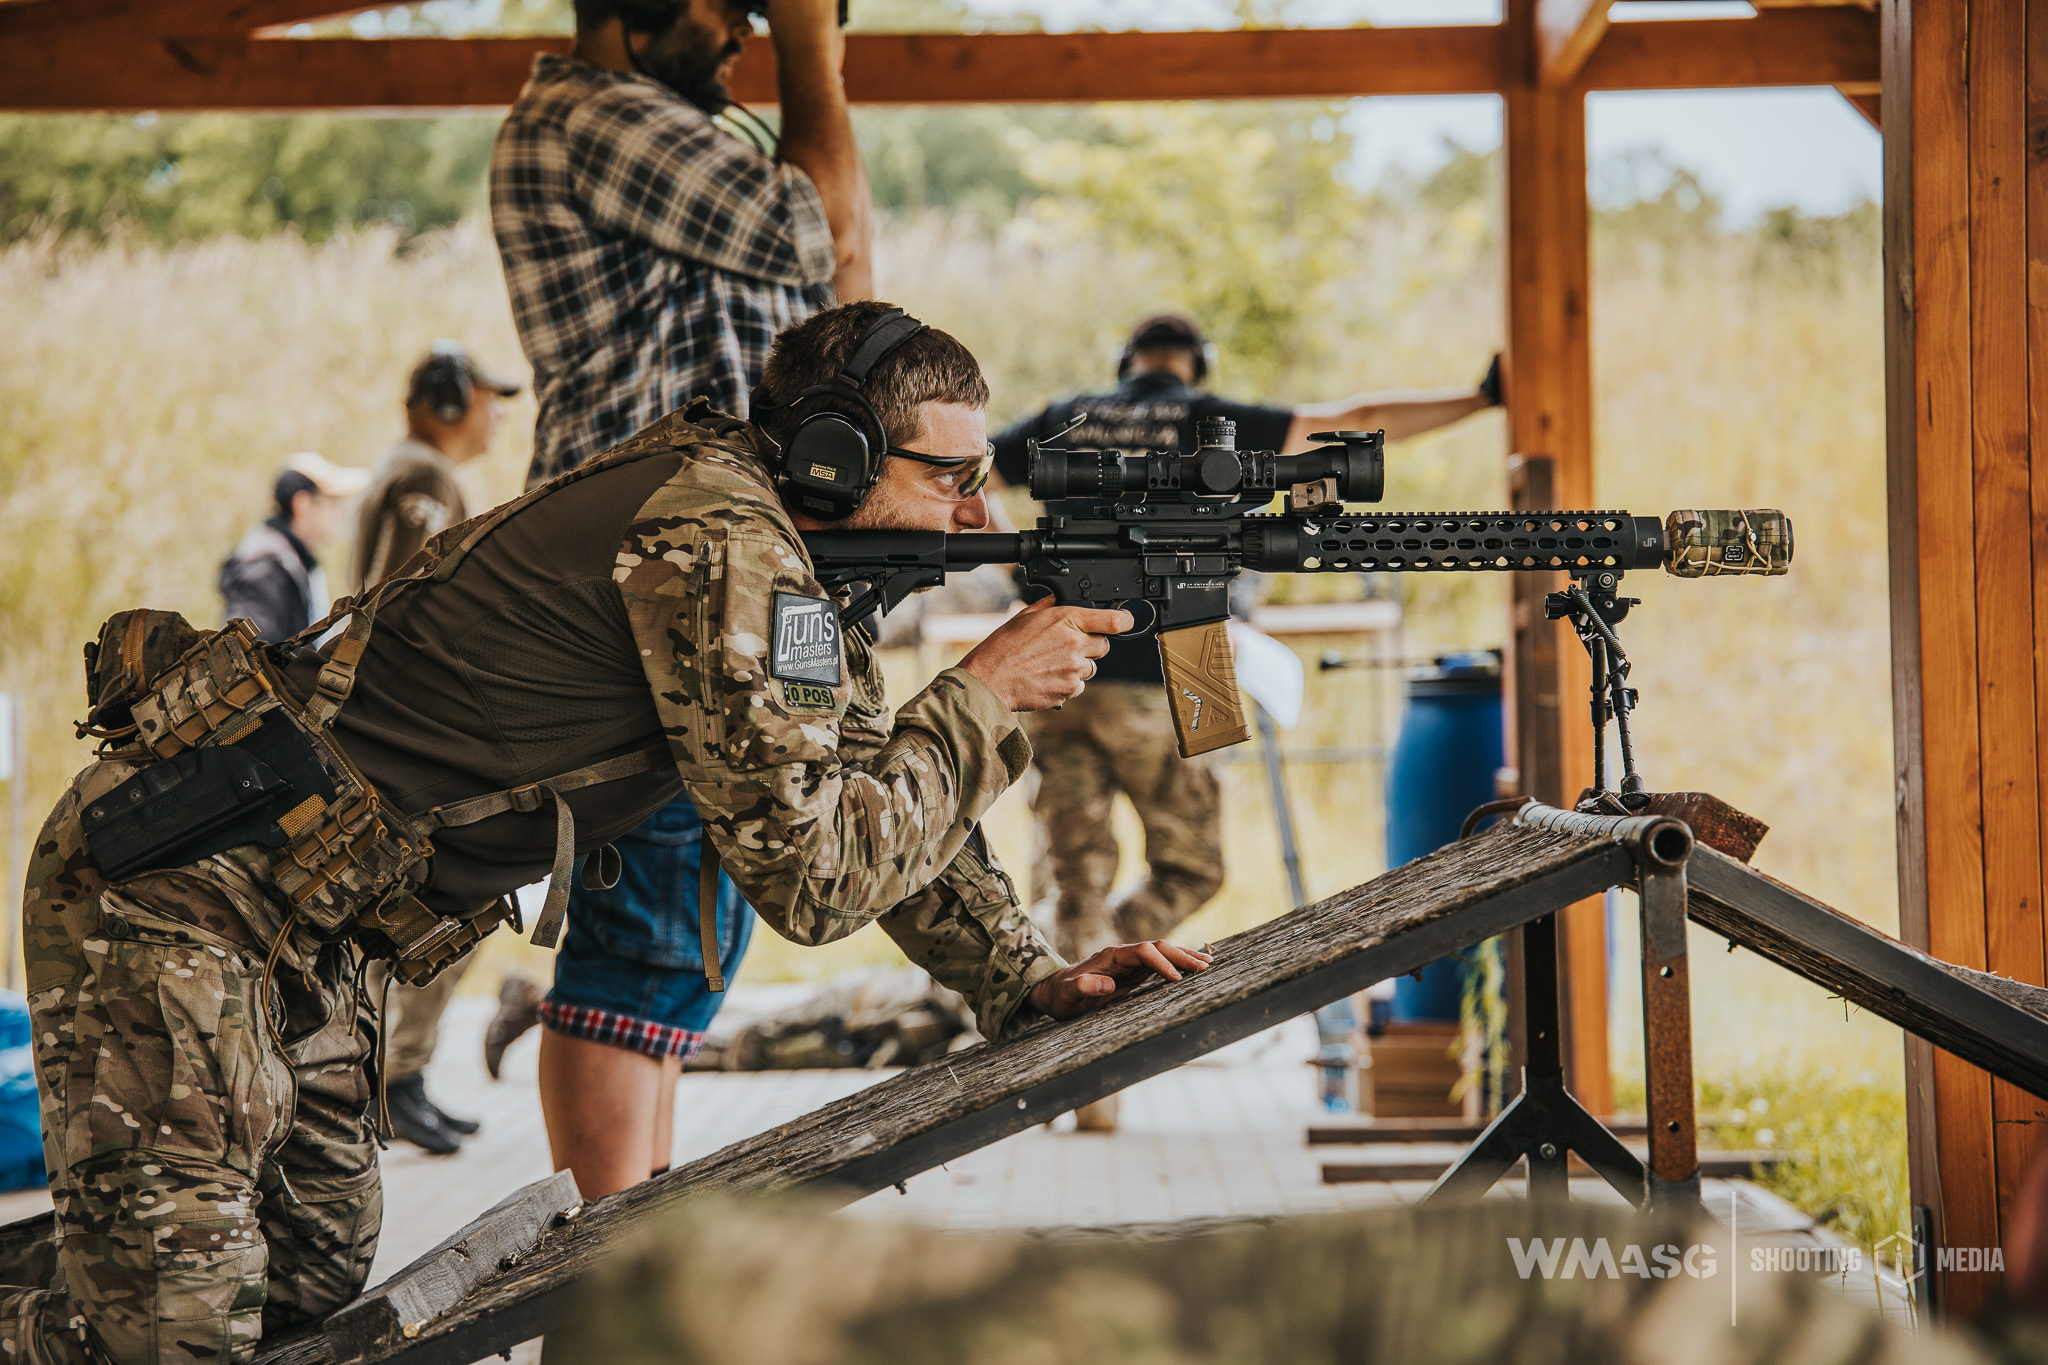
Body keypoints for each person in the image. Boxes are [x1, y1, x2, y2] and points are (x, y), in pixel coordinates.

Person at [15, 301, 1208, 1362]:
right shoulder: (721, 546)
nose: (978, 509)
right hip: (181, 891)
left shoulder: (779, 554)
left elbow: (854, 788)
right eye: (951, 476)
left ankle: (111, 1264)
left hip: (310, 935)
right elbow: (815, 876)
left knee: (301, 1288)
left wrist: (1024, 978)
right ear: (834, 456)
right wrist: (982, 696)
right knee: (180, 1333)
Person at [488, 0, 871, 1195]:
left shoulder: (685, 149)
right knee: (647, 940)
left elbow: (847, 291)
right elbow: (824, 225)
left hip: (715, 583)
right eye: (728, 5)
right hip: (643, 596)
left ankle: (630, 1240)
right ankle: (607, 1266)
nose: (743, 31)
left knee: (694, 927)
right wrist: (811, 43)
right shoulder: (592, 116)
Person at [990, 313, 1501, 1131]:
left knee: (1073, 877)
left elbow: (970, 472)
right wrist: (1479, 398)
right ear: (1197, 365)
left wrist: (1022, 568)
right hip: (1173, 670)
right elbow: (1358, 420)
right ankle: (1110, 960)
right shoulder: (1211, 421)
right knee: (1196, 867)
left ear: (1125, 362)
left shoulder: (1065, 419)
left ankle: (1083, 1046)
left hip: (1060, 670)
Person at [353, 342, 523, 1155]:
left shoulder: (410, 469)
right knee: (442, 905)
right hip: (414, 731)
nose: (495, 419)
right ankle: (391, 1077)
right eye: (488, 400)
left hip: (401, 726)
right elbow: (403, 604)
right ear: (450, 402)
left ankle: (400, 1076)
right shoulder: (423, 476)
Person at [217, 452, 367, 642]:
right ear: (303, 504)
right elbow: (248, 648)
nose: (341, 512)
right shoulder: (264, 568)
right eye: (332, 501)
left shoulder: (292, 559)